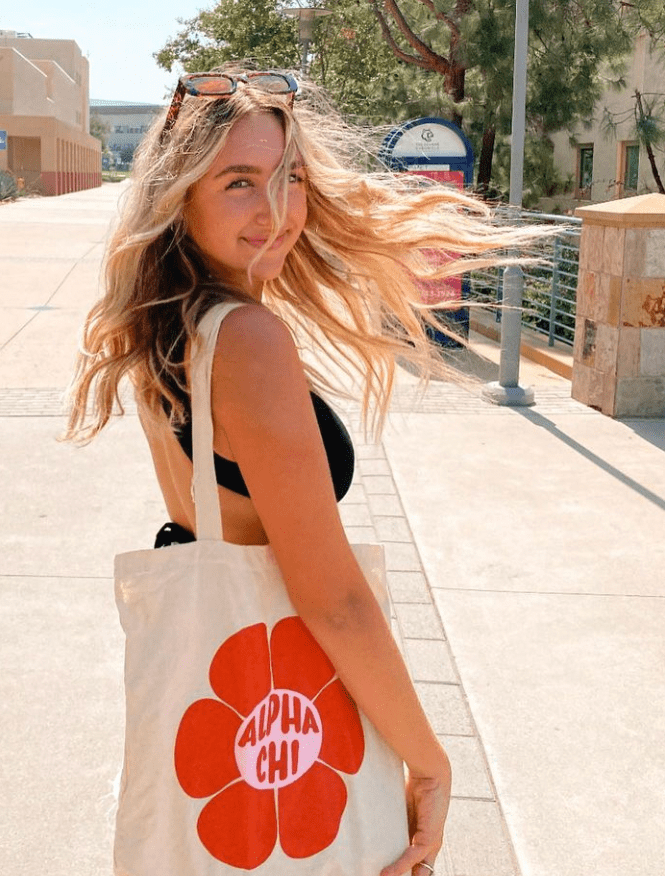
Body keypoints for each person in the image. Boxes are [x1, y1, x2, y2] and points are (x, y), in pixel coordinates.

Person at [66, 68, 526, 876]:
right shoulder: (246, 339)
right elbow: (332, 596)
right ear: (182, 195)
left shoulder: (168, 325)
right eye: (240, 182)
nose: (276, 209)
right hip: (286, 722)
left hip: (226, 710)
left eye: (294, 179)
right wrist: (430, 761)